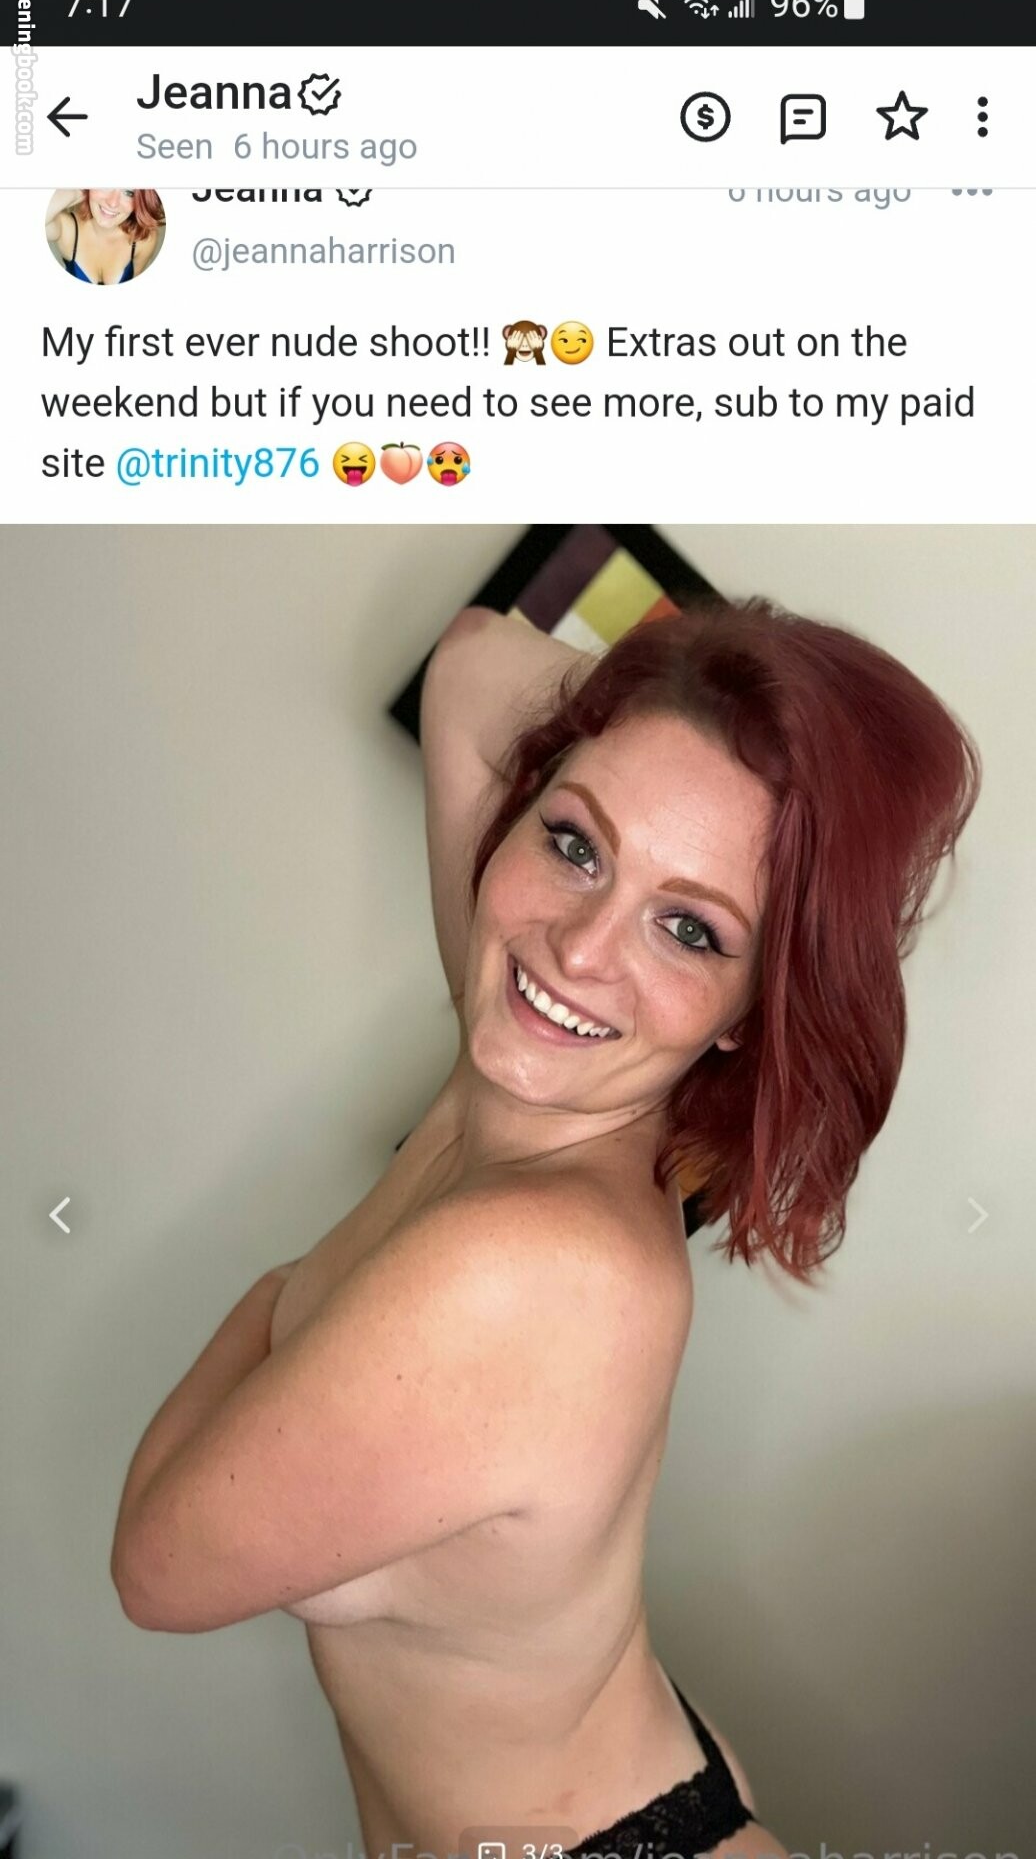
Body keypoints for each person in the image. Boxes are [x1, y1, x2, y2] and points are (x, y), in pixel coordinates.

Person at [112, 598, 980, 1858]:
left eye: (691, 928)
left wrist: (287, 1295)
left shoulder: (525, 1257)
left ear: (747, 1010)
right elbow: (473, 660)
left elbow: (155, 1566)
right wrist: (700, 693)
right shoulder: (540, 1062)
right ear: (523, 809)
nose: (578, 950)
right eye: (575, 843)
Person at [45, 188, 165, 284]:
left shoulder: (142, 239)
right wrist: (77, 191)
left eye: (129, 193)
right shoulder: (68, 229)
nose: (113, 203)